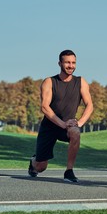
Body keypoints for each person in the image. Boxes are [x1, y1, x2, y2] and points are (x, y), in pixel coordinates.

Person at [28, 49, 93, 182]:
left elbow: (90, 105)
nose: (71, 66)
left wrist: (79, 123)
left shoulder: (81, 82)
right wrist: (62, 124)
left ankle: (69, 171)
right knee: (41, 167)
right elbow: (45, 107)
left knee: (75, 132)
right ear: (59, 63)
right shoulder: (49, 82)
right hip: (50, 126)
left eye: (73, 63)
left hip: (68, 125)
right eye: (67, 62)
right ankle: (34, 161)